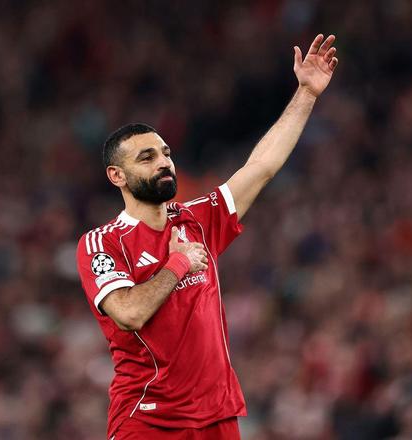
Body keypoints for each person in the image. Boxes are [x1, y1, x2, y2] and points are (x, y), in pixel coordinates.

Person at [76, 34, 339, 440]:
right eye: (147, 157)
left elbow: (261, 167)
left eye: (166, 153)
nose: (164, 163)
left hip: (218, 418)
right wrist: (179, 263)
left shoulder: (196, 219)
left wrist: (306, 94)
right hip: (149, 422)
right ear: (117, 175)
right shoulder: (103, 243)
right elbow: (129, 313)